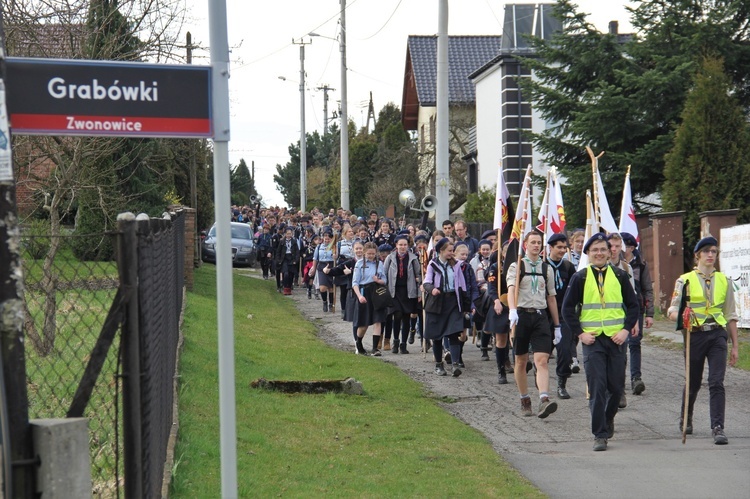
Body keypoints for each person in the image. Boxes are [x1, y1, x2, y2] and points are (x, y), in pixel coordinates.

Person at [562, 233, 640, 451]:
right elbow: (567, 310)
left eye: (603, 249)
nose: (599, 253)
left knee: (615, 388)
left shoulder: (620, 275)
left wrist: (625, 330)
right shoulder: (580, 278)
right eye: (594, 250)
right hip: (592, 340)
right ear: (587, 253)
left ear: (610, 252)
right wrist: (580, 334)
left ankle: (608, 418)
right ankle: (599, 434)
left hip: (616, 340)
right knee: (597, 387)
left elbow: (633, 306)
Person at [667, 236, 739, 445]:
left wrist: (735, 345)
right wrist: (682, 316)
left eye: (714, 251)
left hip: (717, 334)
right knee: (694, 381)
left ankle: (718, 427)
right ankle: (686, 417)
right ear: (698, 255)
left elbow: (731, 315)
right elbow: (672, 310)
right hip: (694, 335)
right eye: (706, 251)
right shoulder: (684, 280)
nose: (710, 255)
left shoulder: (725, 281)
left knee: (716, 381)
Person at [507, 230, 561, 418]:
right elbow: (512, 290)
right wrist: (512, 310)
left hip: (539, 316)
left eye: (539, 243)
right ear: (526, 245)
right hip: (521, 315)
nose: (536, 246)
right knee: (521, 361)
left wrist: (557, 325)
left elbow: (551, 298)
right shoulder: (517, 266)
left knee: (542, 360)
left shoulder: (547, 269)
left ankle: (544, 399)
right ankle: (525, 399)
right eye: (533, 242)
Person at [423, 238, 467, 377]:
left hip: (453, 302)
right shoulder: (433, 264)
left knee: (454, 333)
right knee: (437, 336)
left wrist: (465, 303)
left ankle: (454, 365)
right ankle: (438, 365)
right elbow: (427, 282)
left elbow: (462, 284)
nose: (451, 253)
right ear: (441, 251)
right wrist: (432, 289)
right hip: (437, 303)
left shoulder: (457, 265)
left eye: (452, 250)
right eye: (449, 251)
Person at [545, 233, 578, 399]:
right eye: (559, 247)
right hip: (545, 314)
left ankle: (561, 383)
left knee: (564, 351)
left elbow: (574, 291)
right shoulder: (543, 266)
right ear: (550, 247)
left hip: (564, 314)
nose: (562, 250)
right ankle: (540, 374)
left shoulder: (568, 267)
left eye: (564, 247)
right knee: (543, 352)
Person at [621, 232, 654, 397]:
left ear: (631, 247)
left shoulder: (641, 264)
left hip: (637, 309)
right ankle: (619, 379)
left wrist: (650, 314)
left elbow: (648, 288)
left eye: (624, 245)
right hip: (618, 309)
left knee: (634, 343)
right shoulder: (616, 264)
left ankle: (636, 378)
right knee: (620, 345)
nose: (620, 248)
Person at [608, 232, 636, 409]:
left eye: (617, 246)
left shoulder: (626, 269)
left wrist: (633, 323)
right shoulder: (597, 266)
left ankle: (620, 391)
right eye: (611, 246)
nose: (614, 250)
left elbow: (631, 298)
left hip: (620, 321)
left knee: (620, 359)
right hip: (601, 322)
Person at [383, 235, 421, 354]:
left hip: (408, 292)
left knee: (406, 317)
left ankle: (403, 344)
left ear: (408, 245)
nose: (403, 247)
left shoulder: (413, 258)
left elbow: (419, 276)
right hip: (394, 291)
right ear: (396, 245)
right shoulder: (390, 257)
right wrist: (385, 292)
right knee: (397, 315)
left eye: (405, 245)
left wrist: (419, 292)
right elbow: (384, 274)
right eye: (400, 245)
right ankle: (395, 341)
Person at [352, 242, 388, 356]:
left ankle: (375, 348)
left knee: (378, 320)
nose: (371, 256)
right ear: (364, 253)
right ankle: (359, 342)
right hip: (364, 292)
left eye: (373, 254)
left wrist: (378, 281)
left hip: (376, 292)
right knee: (364, 324)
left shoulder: (379, 264)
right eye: (368, 254)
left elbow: (384, 280)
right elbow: (355, 283)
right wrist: (360, 296)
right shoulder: (359, 264)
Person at [311, 228, 336, 312]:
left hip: (331, 266)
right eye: (325, 236)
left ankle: (331, 303)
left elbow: (336, 257)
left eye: (329, 236)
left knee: (331, 288)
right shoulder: (319, 247)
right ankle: (324, 301)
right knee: (322, 288)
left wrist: (335, 256)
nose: (327, 238)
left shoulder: (334, 247)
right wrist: (313, 268)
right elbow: (315, 258)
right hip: (321, 266)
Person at [275, 227, 300, 295]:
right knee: (285, 273)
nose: (289, 235)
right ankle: (285, 287)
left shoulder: (294, 242)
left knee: (291, 274)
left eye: (290, 234)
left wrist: (296, 260)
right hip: (284, 258)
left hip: (291, 258)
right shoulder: (282, 241)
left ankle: (289, 287)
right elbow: (278, 251)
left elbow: (297, 252)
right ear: (285, 234)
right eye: (287, 234)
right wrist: (279, 260)